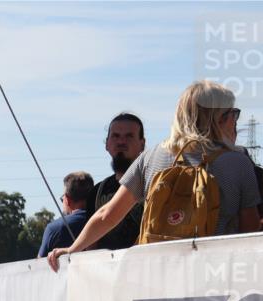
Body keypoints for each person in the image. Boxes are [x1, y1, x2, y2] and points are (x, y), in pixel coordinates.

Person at [48, 80, 261, 271]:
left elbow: (108, 214)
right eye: (233, 114)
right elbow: (249, 231)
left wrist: (72, 249)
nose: (235, 121)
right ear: (220, 118)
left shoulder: (151, 157)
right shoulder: (238, 163)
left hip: (158, 275)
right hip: (213, 275)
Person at [87, 113, 146, 250]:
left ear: (142, 144)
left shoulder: (153, 185)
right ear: (107, 144)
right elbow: (91, 246)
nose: (121, 142)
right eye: (116, 136)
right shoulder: (97, 193)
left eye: (129, 136)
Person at [37, 172, 94, 258]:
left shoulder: (53, 229)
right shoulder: (108, 219)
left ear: (67, 200)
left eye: (62, 199)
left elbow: (39, 266)